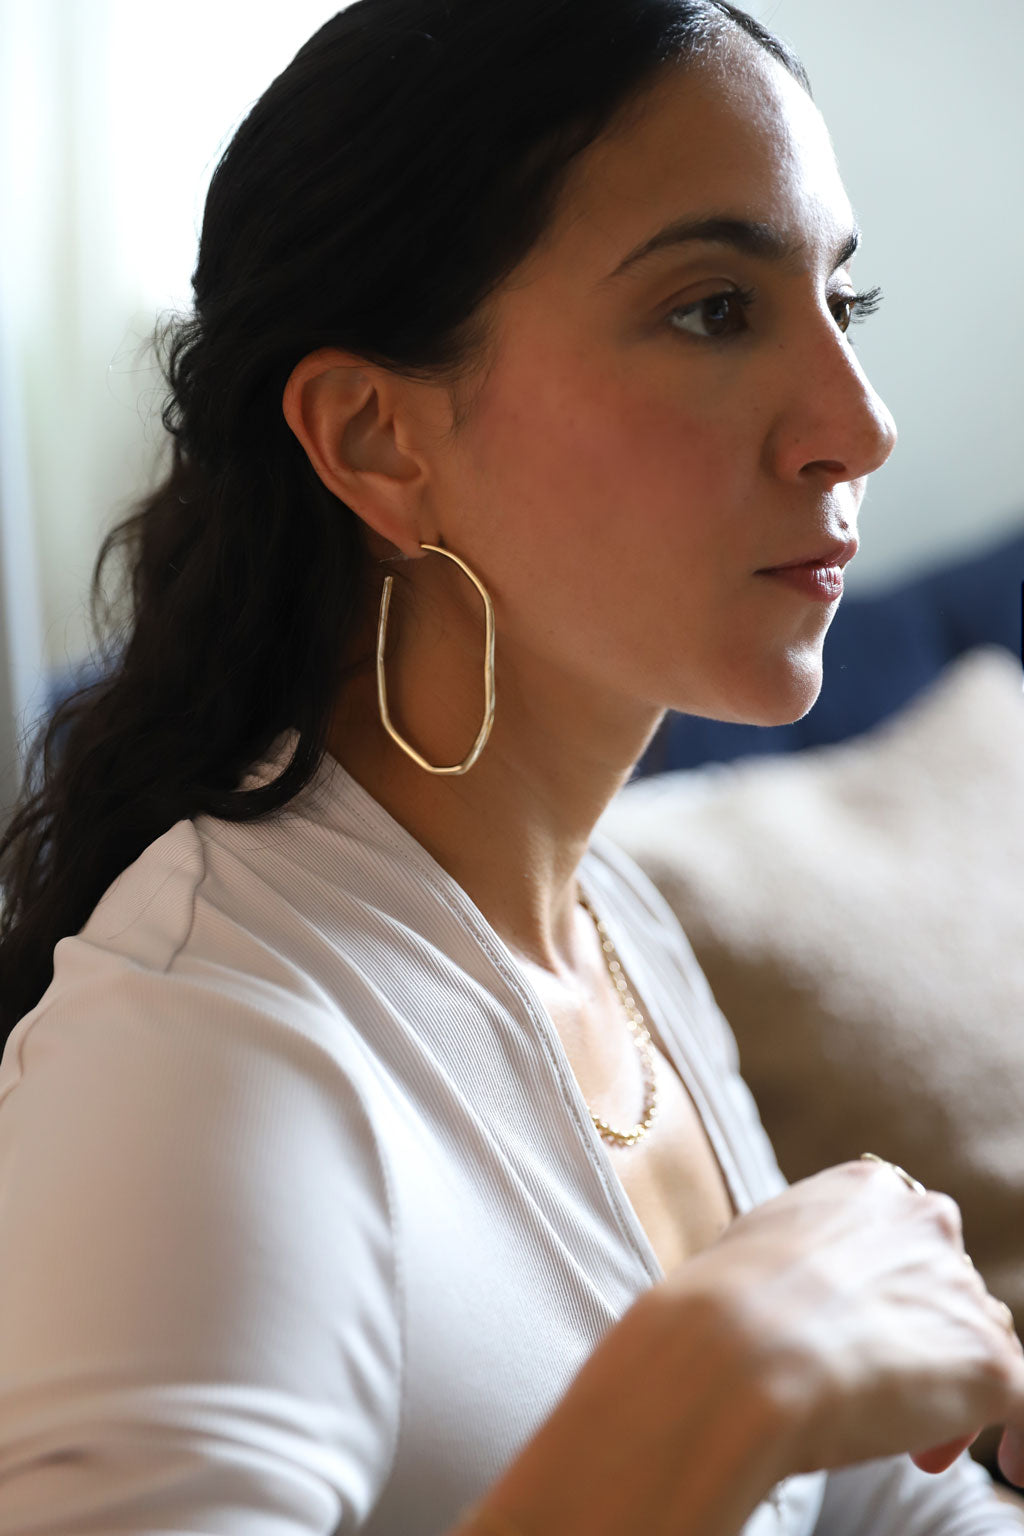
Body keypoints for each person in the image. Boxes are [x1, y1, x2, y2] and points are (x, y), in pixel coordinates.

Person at [0, 1, 1022, 1532]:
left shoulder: (617, 933)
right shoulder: (202, 1046)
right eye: (714, 310)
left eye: (842, 307)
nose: (856, 427)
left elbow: (878, 1510)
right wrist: (718, 1377)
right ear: (376, 437)